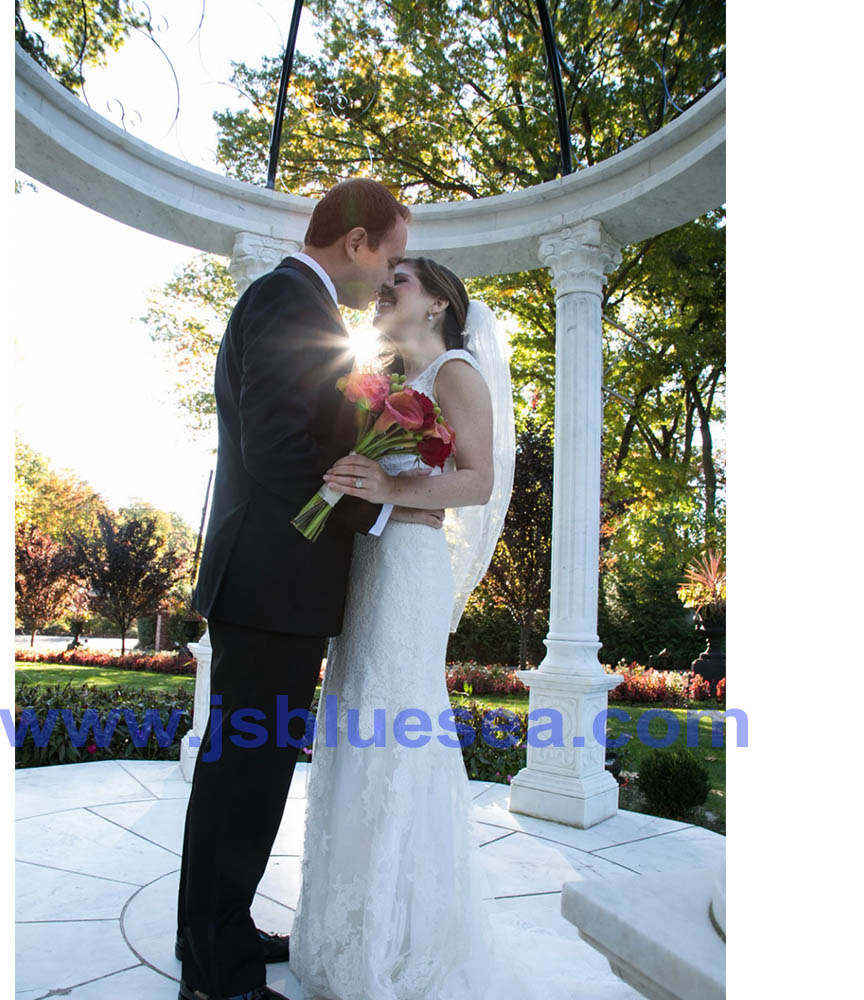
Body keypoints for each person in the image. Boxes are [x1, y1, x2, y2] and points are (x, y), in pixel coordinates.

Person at [288, 259, 642, 1000]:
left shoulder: (455, 373)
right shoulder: (382, 386)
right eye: (385, 281)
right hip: (366, 566)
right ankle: (341, 925)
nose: (385, 289)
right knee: (355, 725)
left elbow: (479, 479)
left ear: (441, 302)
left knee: (394, 730)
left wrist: (389, 482)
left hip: (409, 569)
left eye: (402, 280)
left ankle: (398, 940)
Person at [176, 179, 443, 1000]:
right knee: (245, 775)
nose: (388, 274)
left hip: (271, 582)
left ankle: (217, 933)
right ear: (357, 241)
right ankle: (217, 972)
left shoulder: (299, 304)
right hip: (269, 579)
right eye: (390, 256)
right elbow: (277, 453)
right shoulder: (293, 301)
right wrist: (371, 511)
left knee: (245, 772)